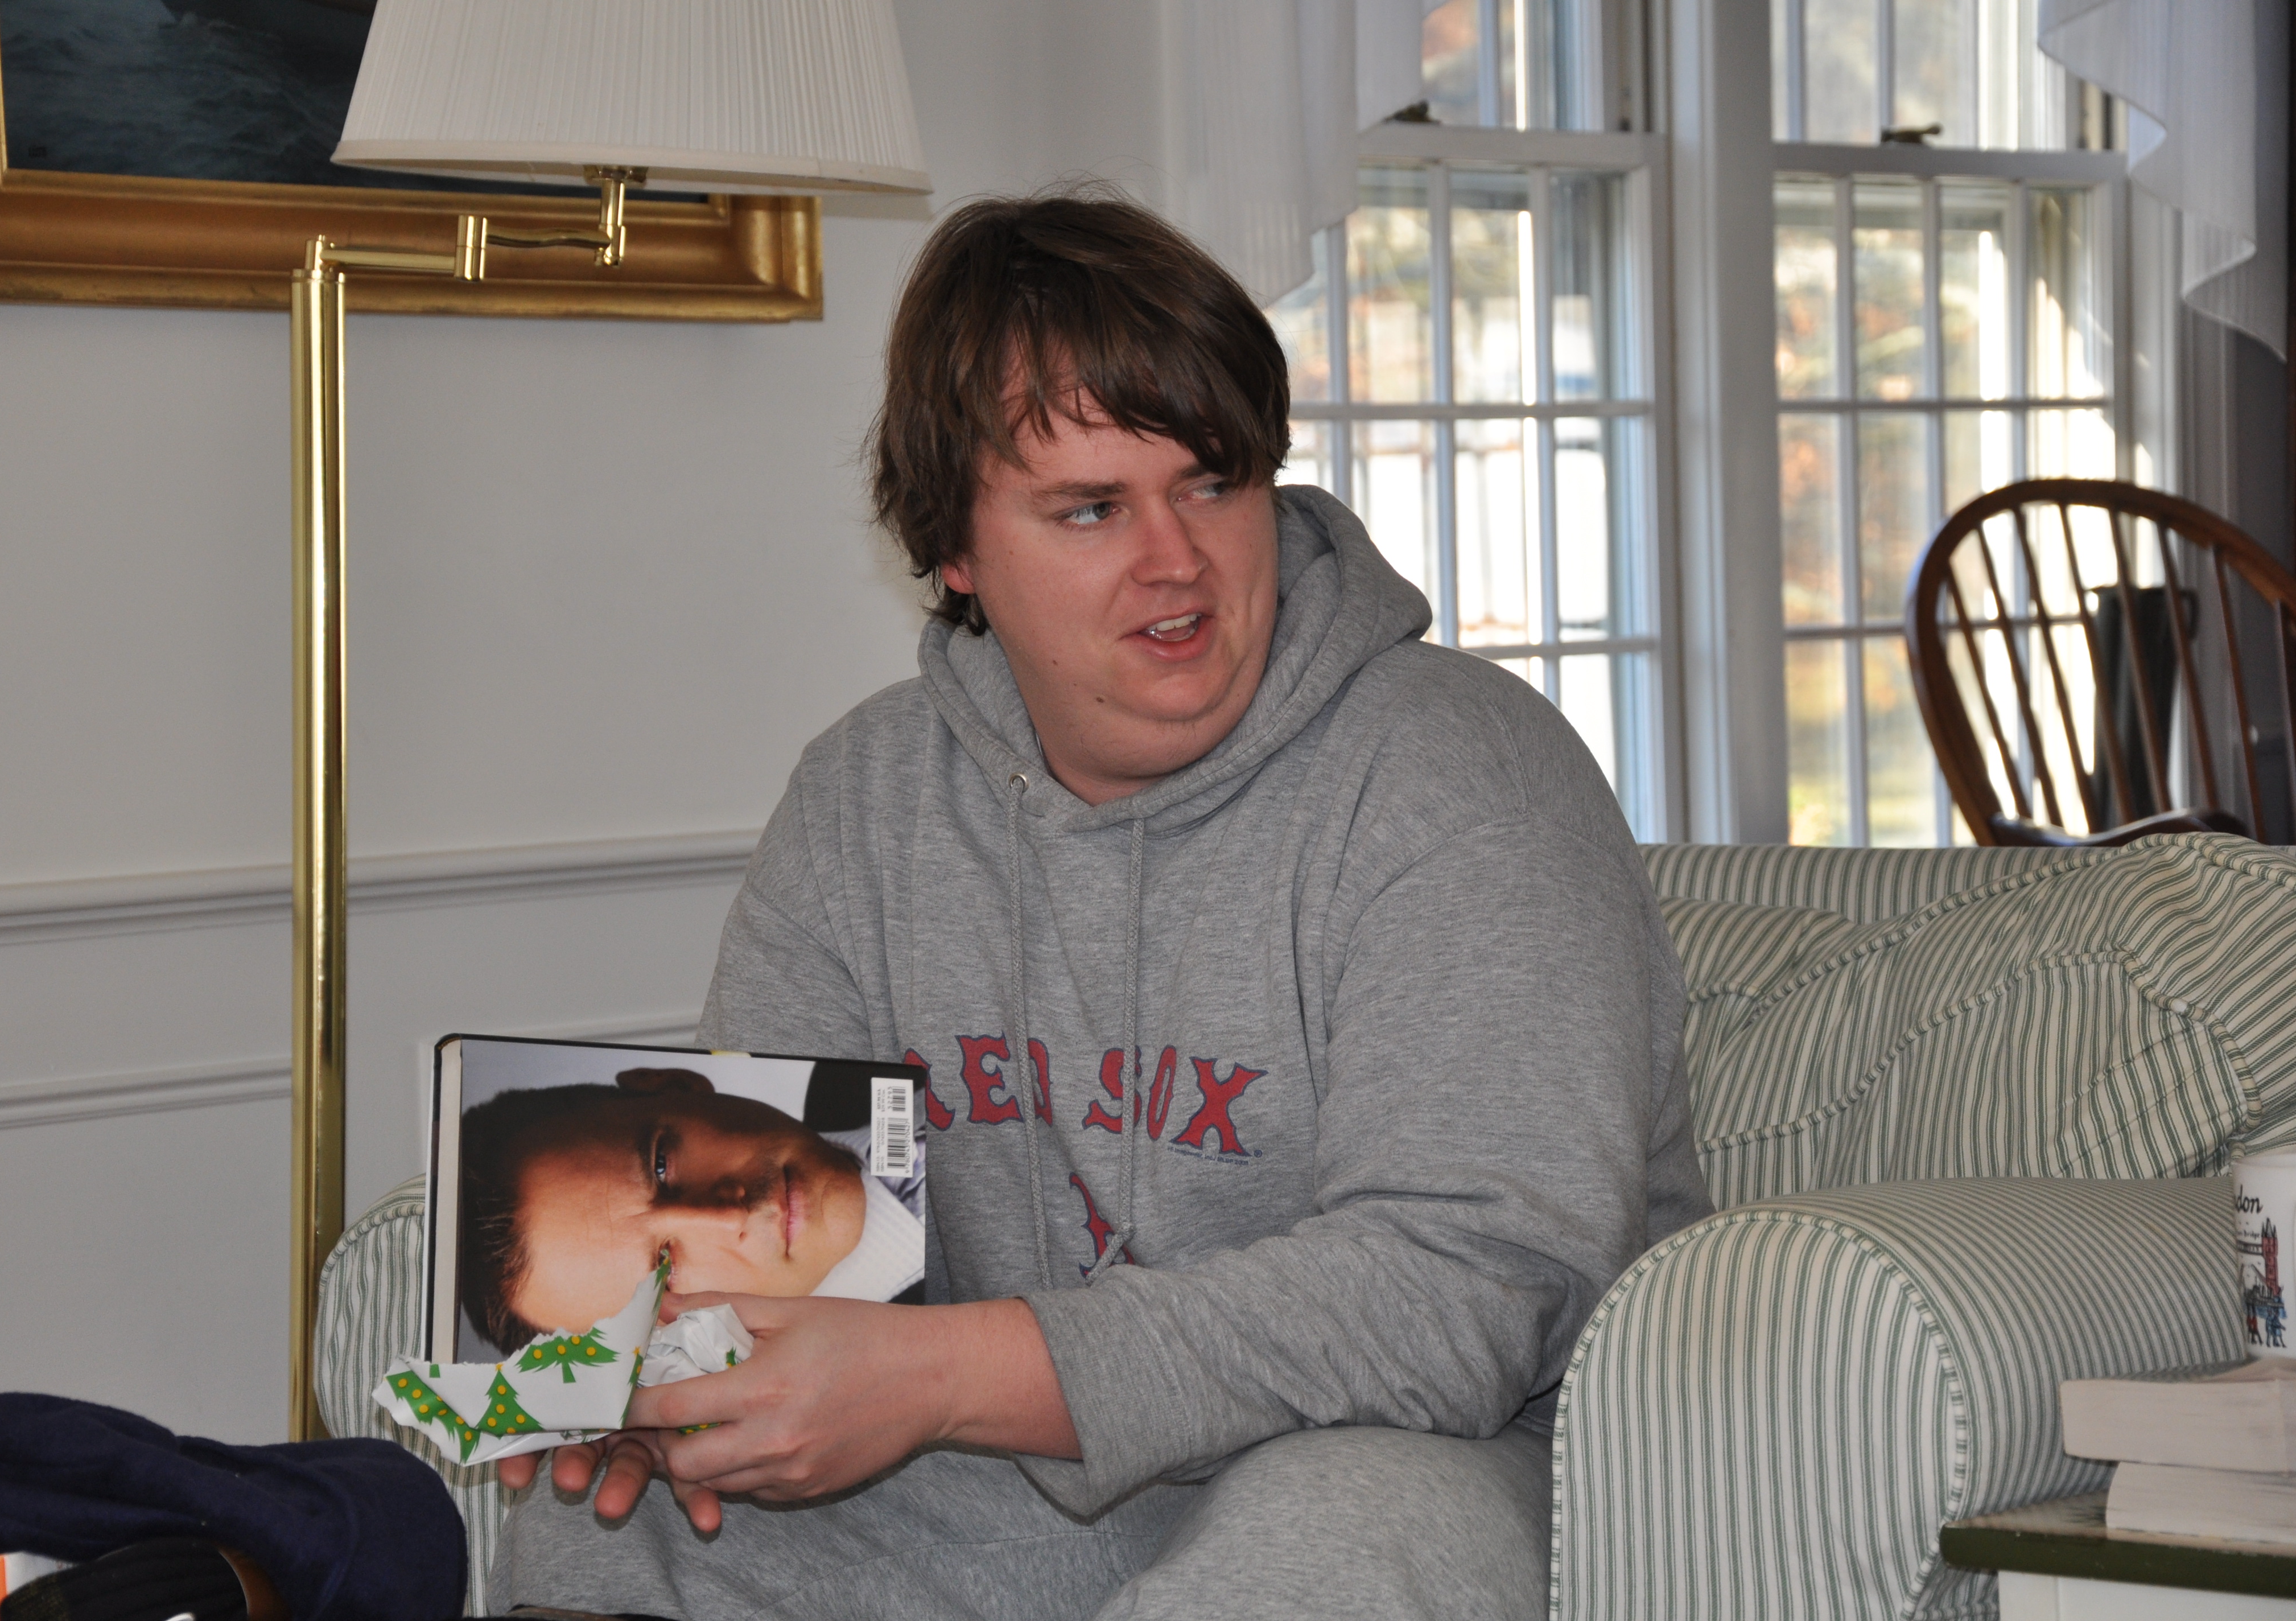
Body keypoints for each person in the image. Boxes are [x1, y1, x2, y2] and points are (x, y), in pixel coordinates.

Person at [491, 191, 1710, 1621]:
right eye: (1089, 508)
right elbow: (808, 1247)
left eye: (1210, 483)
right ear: (954, 549)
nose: (1174, 560)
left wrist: (942, 1372)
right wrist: (684, 1387)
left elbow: (1471, 1294)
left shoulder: (1457, 772)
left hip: (1437, 1453)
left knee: (1320, 1538)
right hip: (1016, 1466)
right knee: (608, 1524)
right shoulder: (862, 799)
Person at [457, 1068, 925, 1356]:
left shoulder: (857, 1065)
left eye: (661, 1166)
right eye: (666, 1269)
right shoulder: (896, 1401)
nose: (729, 1217)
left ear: (677, 1084)